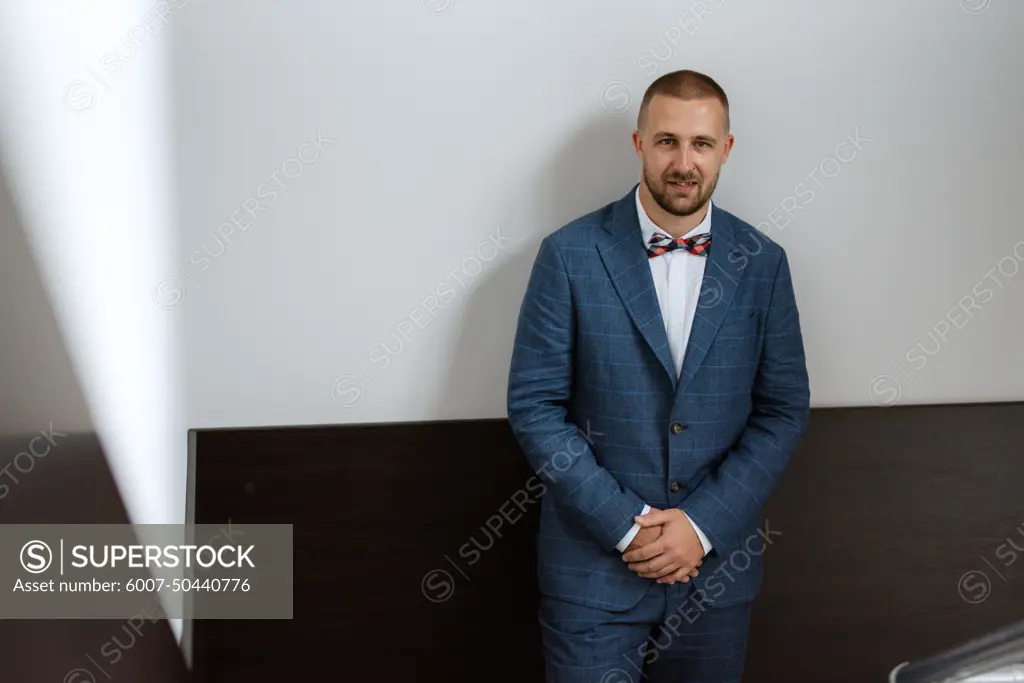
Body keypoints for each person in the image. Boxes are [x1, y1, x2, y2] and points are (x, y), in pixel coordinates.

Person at [506, 69, 811, 682]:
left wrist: (700, 527)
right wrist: (627, 528)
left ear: (725, 150)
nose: (683, 161)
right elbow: (535, 406)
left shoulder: (765, 264)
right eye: (667, 140)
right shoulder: (567, 255)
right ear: (639, 143)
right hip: (590, 576)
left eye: (701, 144)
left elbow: (782, 410)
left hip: (715, 574)